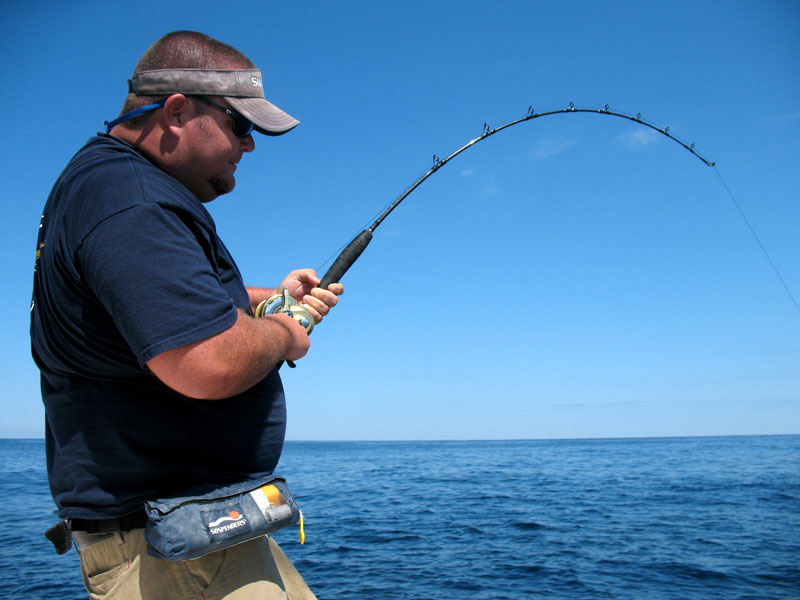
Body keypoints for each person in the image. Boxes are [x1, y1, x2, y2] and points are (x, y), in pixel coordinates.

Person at [30, 30, 342, 600]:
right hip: (170, 553)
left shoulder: (114, 189)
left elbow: (154, 298)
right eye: (241, 125)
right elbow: (206, 362)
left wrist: (265, 297)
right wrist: (286, 332)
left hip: (199, 534)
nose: (249, 146)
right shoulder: (132, 200)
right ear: (176, 111)